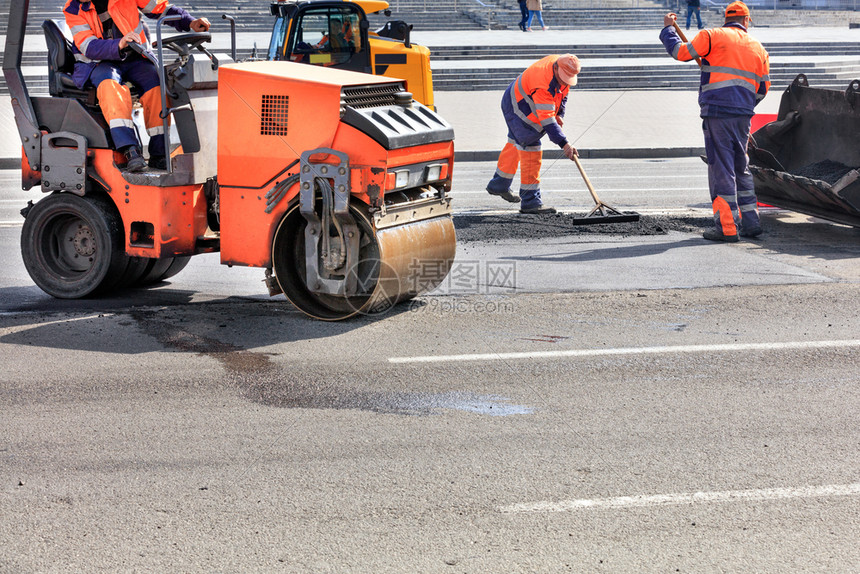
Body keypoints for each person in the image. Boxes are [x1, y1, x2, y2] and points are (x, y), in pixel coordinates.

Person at [660, 1, 769, 241]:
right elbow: (763, 88)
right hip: (743, 115)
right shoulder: (758, 48)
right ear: (747, 21)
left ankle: (728, 228)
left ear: (725, 18)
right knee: (742, 168)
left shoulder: (712, 35)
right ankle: (752, 223)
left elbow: (681, 53)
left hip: (718, 112)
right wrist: (745, 105)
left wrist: (668, 29)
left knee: (722, 169)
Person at [63, 0, 210, 172]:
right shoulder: (73, 8)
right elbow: (88, 46)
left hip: (134, 57)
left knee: (156, 84)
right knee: (110, 86)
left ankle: (159, 153)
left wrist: (190, 22)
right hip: (98, 62)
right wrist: (118, 44)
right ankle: (130, 150)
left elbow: (161, 8)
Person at [486, 54, 580, 214]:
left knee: (516, 142)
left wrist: (560, 114)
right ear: (556, 68)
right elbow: (547, 121)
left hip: (519, 98)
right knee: (531, 146)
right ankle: (530, 201)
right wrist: (564, 144)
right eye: (564, 78)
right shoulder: (543, 83)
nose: (566, 82)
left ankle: (499, 184)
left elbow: (562, 95)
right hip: (518, 108)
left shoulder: (565, 68)